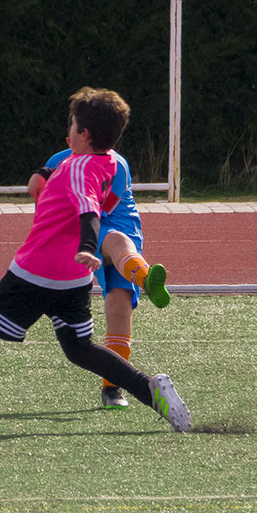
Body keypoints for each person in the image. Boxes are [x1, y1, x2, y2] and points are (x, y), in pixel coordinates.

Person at [0, 87, 191, 433]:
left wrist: (88, 245)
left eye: (72, 125)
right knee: (78, 348)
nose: (68, 131)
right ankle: (150, 391)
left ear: (84, 134)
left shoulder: (78, 168)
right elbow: (88, 194)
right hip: (73, 278)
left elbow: (89, 211)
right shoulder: (109, 163)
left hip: (37, 272)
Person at [28, 144, 170, 409]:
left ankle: (111, 389)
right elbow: (45, 209)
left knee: (119, 304)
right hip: (78, 227)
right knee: (117, 244)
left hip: (114, 222)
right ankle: (145, 277)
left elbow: (100, 211)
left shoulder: (118, 165)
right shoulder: (57, 162)